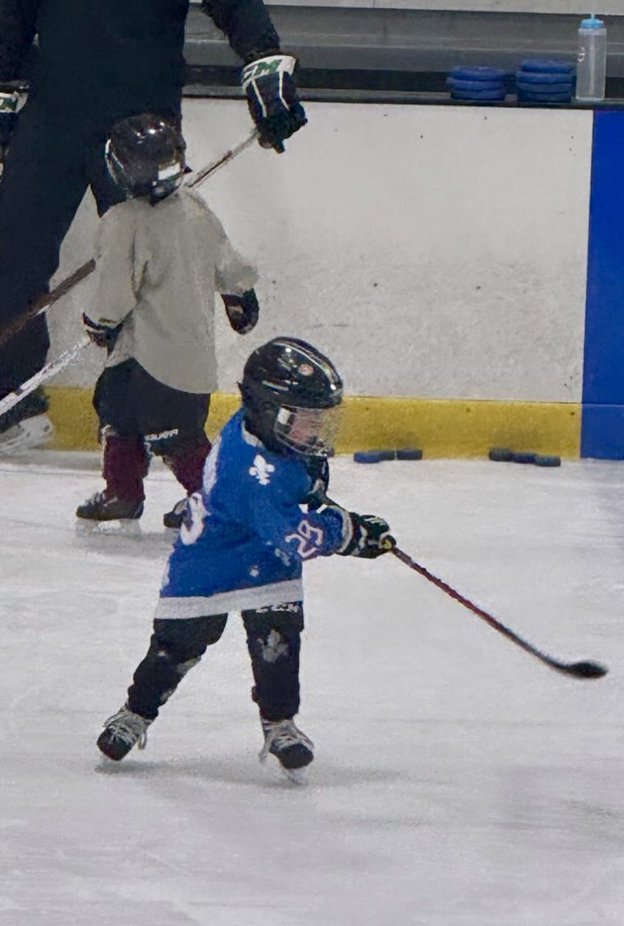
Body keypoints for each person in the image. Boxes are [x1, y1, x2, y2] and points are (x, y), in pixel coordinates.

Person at [0, 0, 306, 454]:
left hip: (144, 117)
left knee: (148, 275)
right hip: (54, 110)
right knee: (12, 254)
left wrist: (262, 57)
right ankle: (14, 404)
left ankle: (134, 419)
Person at [96, 336, 394, 780]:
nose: (314, 430)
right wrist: (351, 532)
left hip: (265, 554)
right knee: (176, 646)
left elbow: (294, 503)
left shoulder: (268, 434)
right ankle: (136, 711)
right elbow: (297, 535)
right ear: (268, 410)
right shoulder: (252, 471)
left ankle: (279, 723)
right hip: (209, 565)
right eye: (304, 419)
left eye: (318, 419)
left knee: (278, 638)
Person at [75, 112, 259, 529]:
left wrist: (98, 321)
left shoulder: (122, 223)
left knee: (175, 435)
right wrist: (239, 293)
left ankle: (210, 498)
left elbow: (114, 293)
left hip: (156, 357)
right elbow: (226, 259)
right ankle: (122, 491)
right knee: (116, 410)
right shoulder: (194, 205)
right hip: (163, 353)